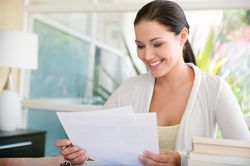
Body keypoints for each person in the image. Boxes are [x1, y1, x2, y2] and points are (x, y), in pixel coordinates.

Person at [56, 0, 250, 166]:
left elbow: (244, 155)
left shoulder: (214, 90)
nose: (147, 55)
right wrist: (80, 153)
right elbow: (96, 143)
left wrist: (182, 159)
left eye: (157, 44)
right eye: (140, 46)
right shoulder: (130, 88)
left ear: (182, 36)